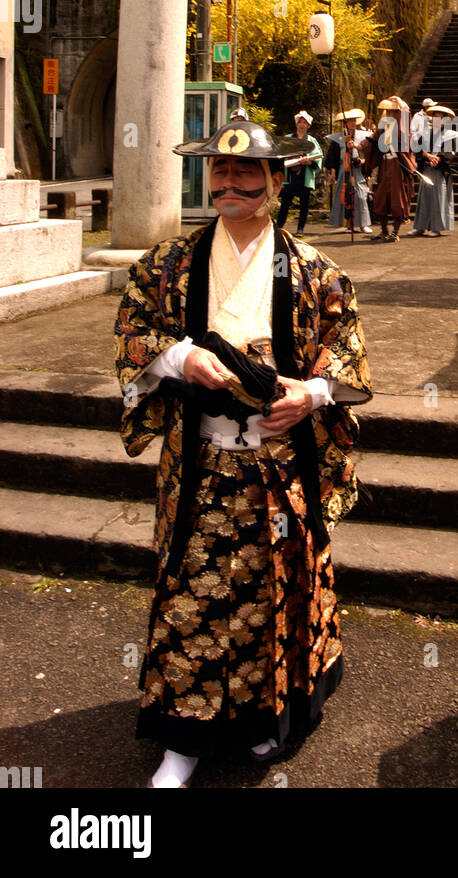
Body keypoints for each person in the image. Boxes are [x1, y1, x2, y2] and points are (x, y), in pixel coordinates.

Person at [115, 119, 372, 789]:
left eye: (246, 174)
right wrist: (177, 355)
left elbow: (347, 349)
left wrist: (312, 395)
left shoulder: (314, 269)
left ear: (276, 181)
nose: (229, 184)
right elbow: (134, 334)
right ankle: (182, 737)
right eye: (219, 174)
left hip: (280, 465)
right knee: (191, 598)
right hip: (202, 465)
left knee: (276, 594)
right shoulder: (169, 263)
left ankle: (268, 715)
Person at [368, 96, 418, 243]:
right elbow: (371, 141)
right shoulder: (382, 129)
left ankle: (395, 232)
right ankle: (384, 231)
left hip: (397, 167)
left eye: (393, 112)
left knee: (398, 200)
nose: (390, 114)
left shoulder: (403, 130)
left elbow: (405, 119)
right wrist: (356, 146)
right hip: (384, 167)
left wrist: (401, 104)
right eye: (388, 112)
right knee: (380, 199)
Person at [409, 104, 458, 237]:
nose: (436, 120)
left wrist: (438, 159)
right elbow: (418, 149)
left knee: (438, 198)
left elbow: (449, 153)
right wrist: (427, 156)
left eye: (440, 118)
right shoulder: (425, 134)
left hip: (439, 171)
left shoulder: (449, 135)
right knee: (424, 199)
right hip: (426, 169)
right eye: (434, 117)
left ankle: (436, 228)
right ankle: (420, 227)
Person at [324, 109, 374, 233]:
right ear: (344, 123)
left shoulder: (364, 135)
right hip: (343, 169)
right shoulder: (338, 138)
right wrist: (333, 173)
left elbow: (370, 154)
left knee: (361, 196)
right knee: (345, 196)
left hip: (357, 170)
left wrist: (362, 161)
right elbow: (333, 157)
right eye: (348, 121)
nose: (351, 123)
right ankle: (348, 224)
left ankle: (363, 224)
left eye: (353, 121)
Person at [275, 110, 322, 236]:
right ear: (296, 124)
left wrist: (309, 162)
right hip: (289, 175)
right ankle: (278, 227)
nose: (302, 125)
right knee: (285, 203)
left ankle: (300, 229)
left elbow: (317, 158)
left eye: (304, 123)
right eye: (300, 122)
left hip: (304, 175)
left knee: (304, 204)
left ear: (308, 125)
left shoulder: (312, 141)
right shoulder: (288, 138)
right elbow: (280, 153)